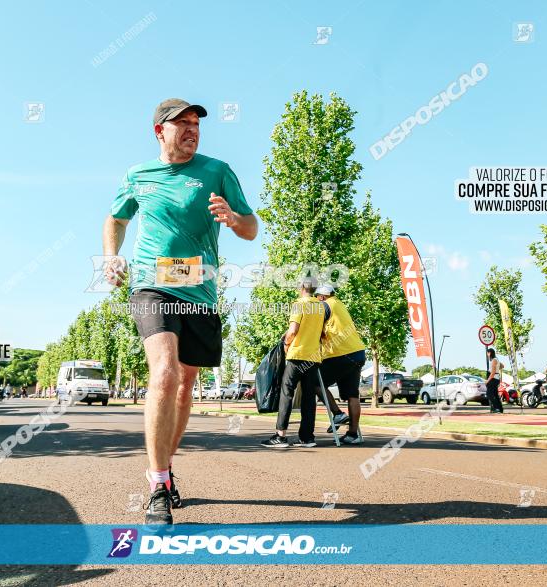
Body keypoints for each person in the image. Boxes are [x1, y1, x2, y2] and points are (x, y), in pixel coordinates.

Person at [103, 98, 258, 525]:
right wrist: (111, 256)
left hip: (202, 292)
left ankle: (165, 470)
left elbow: (251, 228)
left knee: (187, 384)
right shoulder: (138, 175)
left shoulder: (217, 170)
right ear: (159, 131)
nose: (192, 130)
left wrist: (231, 217)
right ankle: (156, 487)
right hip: (152, 285)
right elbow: (116, 219)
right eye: (182, 124)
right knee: (165, 373)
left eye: (196, 125)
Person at [261, 277, 326, 449]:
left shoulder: (299, 304)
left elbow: (293, 330)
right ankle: (307, 438)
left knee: (286, 393)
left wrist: (286, 343)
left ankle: (280, 436)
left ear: (302, 287)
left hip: (297, 355)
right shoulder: (321, 306)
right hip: (313, 357)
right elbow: (320, 332)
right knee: (308, 397)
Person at [315, 285, 366, 443]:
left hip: (341, 354)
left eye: (317, 297)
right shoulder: (339, 305)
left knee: (315, 383)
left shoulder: (325, 306)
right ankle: (353, 435)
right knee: (352, 394)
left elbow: (312, 328)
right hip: (357, 353)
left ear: (322, 296)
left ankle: (337, 414)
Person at [485, 348, 502, 413]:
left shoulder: (494, 360)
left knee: (489, 394)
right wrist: (498, 367)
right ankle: (499, 409)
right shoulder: (496, 359)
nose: (487, 354)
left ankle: (496, 408)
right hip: (496, 378)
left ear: (489, 353)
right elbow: (502, 366)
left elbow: (493, 372)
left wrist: (487, 380)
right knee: (495, 394)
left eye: (487, 353)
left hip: (493, 379)